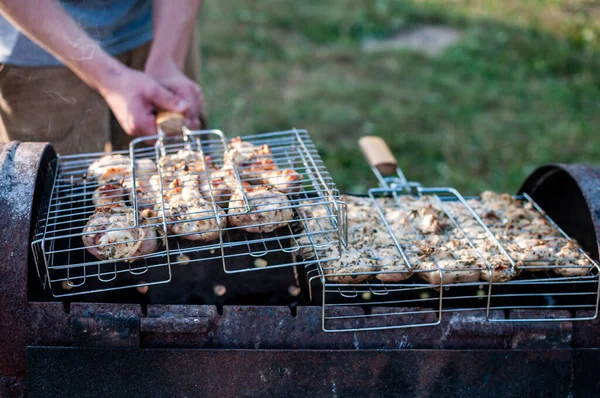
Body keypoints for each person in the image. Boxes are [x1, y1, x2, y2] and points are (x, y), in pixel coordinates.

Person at [0, 0, 205, 154]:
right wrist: (110, 79)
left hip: (160, 22)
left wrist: (167, 59)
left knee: (180, 168)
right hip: (38, 41)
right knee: (68, 192)